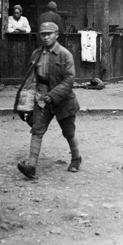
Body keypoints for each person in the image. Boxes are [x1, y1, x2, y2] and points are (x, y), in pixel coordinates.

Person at [17, 22, 81, 179]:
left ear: (57, 35)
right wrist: (25, 102)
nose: (45, 37)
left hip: (62, 99)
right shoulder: (36, 54)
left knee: (68, 132)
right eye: (43, 34)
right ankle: (31, 165)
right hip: (41, 98)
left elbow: (69, 79)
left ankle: (76, 158)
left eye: (49, 34)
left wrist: (53, 95)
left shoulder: (65, 54)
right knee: (37, 130)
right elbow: (31, 78)